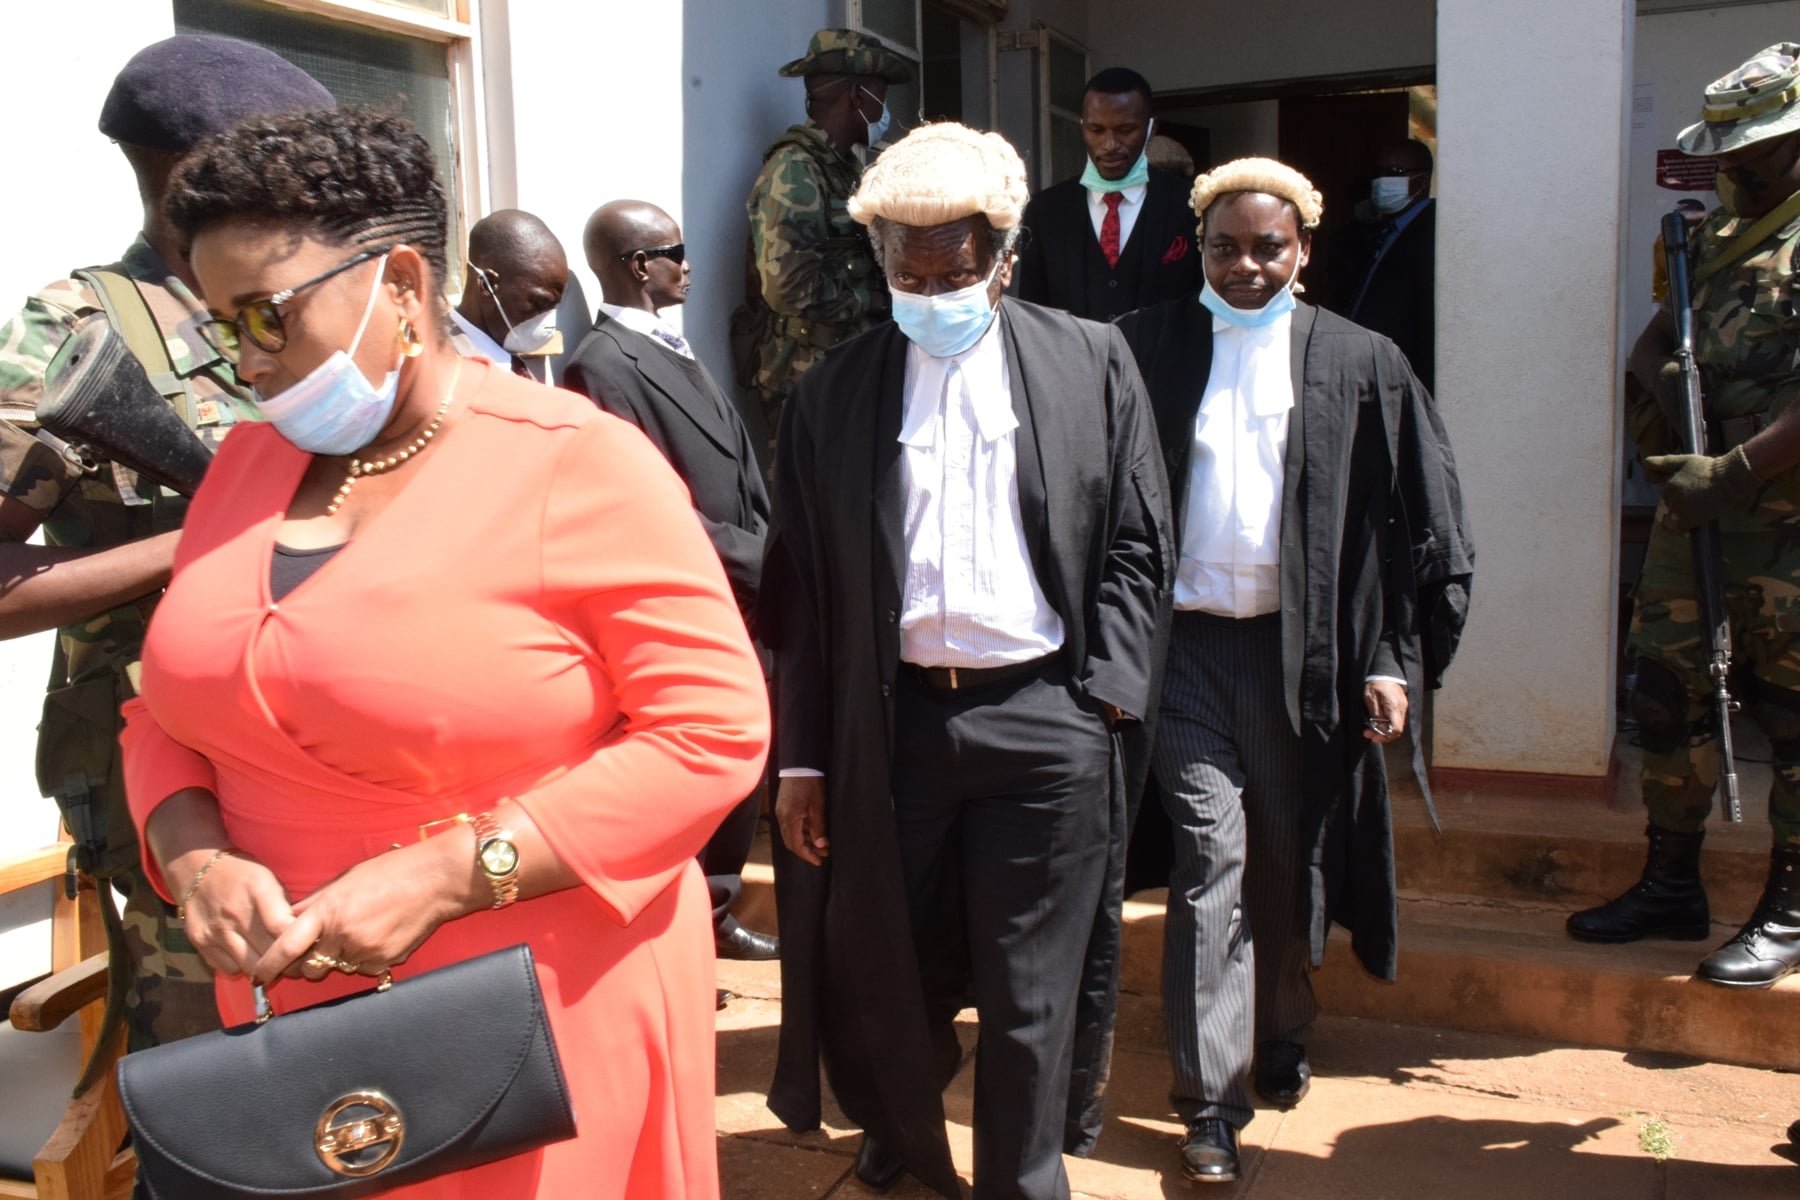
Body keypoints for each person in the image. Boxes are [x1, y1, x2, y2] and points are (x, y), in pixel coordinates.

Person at [125, 106, 769, 1198]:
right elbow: (171, 709)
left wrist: (450, 874)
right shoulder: (245, 467)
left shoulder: (575, 463)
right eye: (225, 325)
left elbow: (710, 732)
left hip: (533, 1013)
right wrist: (196, 860)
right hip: (298, 1025)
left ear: (402, 287)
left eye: (272, 316)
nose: (249, 362)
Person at [764, 122, 1171, 1200]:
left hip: (1047, 719)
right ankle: (903, 1126)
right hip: (891, 728)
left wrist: (1106, 698)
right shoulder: (834, 391)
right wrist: (802, 759)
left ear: (1004, 261)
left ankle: (1021, 1181)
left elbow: (1138, 540)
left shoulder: (1090, 362)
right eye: (909, 275)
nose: (932, 293)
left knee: (1030, 988)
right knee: (893, 963)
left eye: (954, 274)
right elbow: (800, 590)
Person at [1116, 157, 1472, 1184]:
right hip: (1182, 653)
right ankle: (1210, 1103)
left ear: (1304, 249)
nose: (1246, 266)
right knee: (1208, 859)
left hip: (1297, 660)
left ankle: (1278, 1023)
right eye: (1224, 247)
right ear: (1197, 248)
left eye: (1268, 247)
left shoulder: (1362, 361)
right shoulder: (1142, 346)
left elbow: (1412, 527)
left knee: (1280, 857)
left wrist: (1393, 658)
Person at [0, 34, 334, 1058]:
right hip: (181, 795)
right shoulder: (77, 330)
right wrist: (199, 542)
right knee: (219, 1084)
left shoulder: (310, 312)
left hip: (341, 756)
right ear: (199, 175)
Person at [1568, 44, 1800, 992]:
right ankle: (1670, 884)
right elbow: (1654, 342)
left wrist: (1736, 470)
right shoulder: (1710, 240)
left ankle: (1790, 908)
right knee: (1665, 697)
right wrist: (1676, 392)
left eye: (1754, 150)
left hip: (1783, 522)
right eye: (1726, 150)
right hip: (1695, 511)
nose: (1733, 164)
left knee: (1791, 715)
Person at [563, 199, 778, 966]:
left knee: (743, 766)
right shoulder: (601, 365)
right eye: (673, 252)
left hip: (741, 587)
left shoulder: (669, 346)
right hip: (696, 590)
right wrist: (761, 559)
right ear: (636, 266)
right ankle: (688, 925)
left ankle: (714, 907)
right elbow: (646, 507)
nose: (688, 264)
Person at [735, 28, 911, 452]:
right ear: (856, 96)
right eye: (880, 96)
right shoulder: (795, 170)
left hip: (844, 362)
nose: (884, 110)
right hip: (806, 373)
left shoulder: (841, 167)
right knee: (813, 490)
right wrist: (876, 301)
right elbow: (788, 287)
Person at [1014, 67, 1200, 322]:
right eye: (1096, 130)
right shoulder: (1046, 210)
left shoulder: (1191, 205)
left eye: (1126, 130)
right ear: (1082, 127)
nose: (1110, 144)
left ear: (1151, 128)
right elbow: (1033, 315)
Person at [1333, 138, 1437, 392]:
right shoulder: (1382, 230)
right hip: (1367, 371)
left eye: (1395, 172)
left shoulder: (1432, 232)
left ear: (1422, 180)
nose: (1383, 181)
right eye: (1379, 172)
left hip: (1401, 376)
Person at [450, 208, 569, 382]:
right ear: (488, 285)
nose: (549, 323)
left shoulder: (509, 358)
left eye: (554, 307)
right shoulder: (447, 367)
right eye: (540, 304)